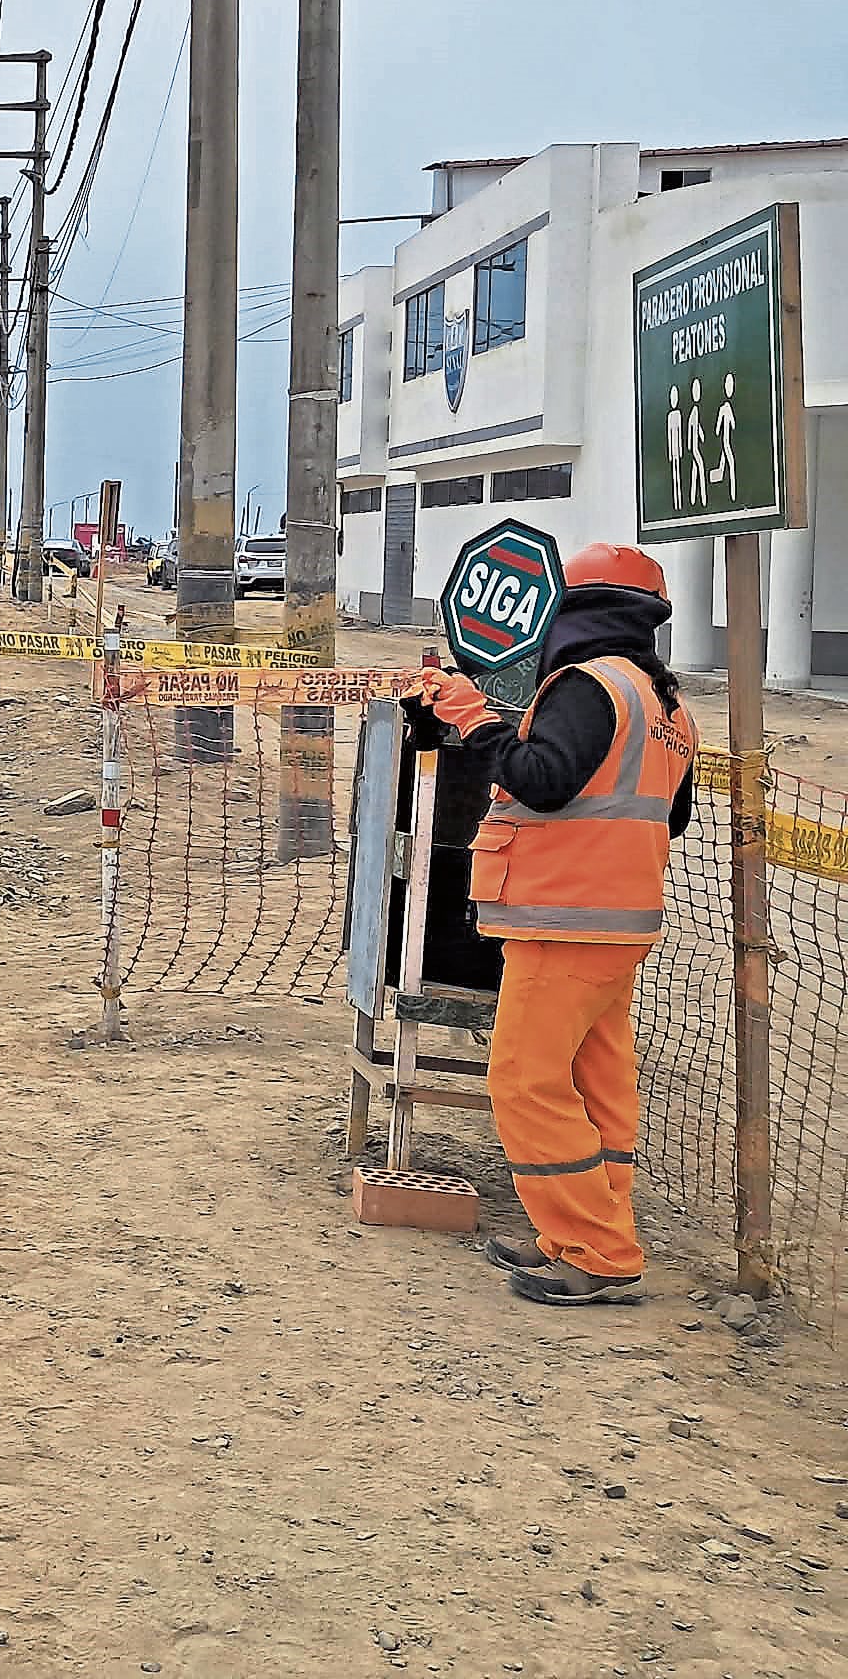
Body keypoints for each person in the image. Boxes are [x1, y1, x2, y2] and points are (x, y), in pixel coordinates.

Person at [410, 543, 699, 1307]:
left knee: (526, 1081)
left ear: (576, 610)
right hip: (617, 922)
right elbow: (671, 816)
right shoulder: (663, 703)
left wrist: (473, 719)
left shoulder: (586, 685)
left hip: (565, 920)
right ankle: (583, 1234)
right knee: (598, 1082)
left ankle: (599, 1252)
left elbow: (542, 782)